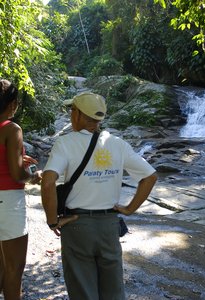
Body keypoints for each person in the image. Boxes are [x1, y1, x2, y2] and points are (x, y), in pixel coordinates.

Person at [41, 92, 157, 300]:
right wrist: (130, 209)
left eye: (72, 111)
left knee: (83, 291)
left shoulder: (65, 143)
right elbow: (150, 176)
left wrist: (52, 221)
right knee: (113, 292)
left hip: (77, 225)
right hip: (109, 225)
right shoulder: (117, 143)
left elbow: (48, 182)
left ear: (77, 114)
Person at [0, 79, 42, 299]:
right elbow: (17, 175)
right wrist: (34, 177)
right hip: (7, 203)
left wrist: (15, 158)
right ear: (11, 103)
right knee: (14, 268)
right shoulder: (11, 129)